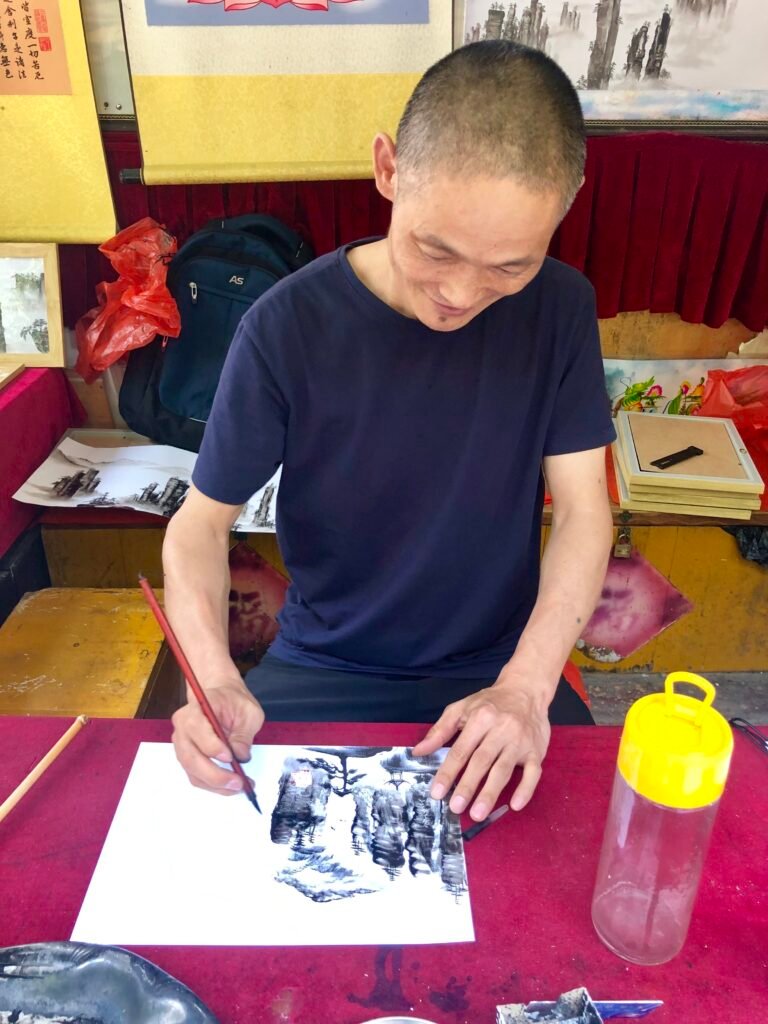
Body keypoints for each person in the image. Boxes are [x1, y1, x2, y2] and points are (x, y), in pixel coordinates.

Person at [164, 40, 615, 825]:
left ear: (565, 209)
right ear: (388, 168)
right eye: (434, 248)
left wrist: (527, 687)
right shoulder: (286, 326)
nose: (461, 294)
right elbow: (198, 527)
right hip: (324, 663)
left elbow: (582, 511)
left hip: (496, 670)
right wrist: (217, 677)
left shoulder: (560, 310)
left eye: (509, 266)